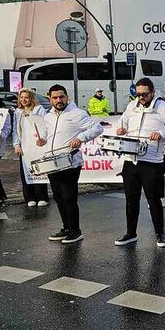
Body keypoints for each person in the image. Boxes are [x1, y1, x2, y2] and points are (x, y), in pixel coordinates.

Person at [114, 78, 165, 248]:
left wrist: (161, 133)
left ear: (153, 92)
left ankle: (160, 233)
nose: (141, 97)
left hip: (151, 160)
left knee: (153, 199)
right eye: (138, 94)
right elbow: (123, 122)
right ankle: (130, 233)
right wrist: (122, 129)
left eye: (144, 94)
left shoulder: (163, 107)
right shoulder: (132, 105)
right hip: (131, 159)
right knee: (130, 199)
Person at [36, 84, 103, 244]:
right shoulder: (48, 115)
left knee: (69, 197)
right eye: (55, 98)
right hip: (53, 162)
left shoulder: (77, 113)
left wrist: (81, 138)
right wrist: (42, 140)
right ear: (50, 99)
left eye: (61, 97)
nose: (59, 100)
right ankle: (66, 227)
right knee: (58, 197)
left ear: (67, 97)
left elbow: (97, 128)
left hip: (70, 162)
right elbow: (47, 133)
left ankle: (75, 230)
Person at [12, 88, 49, 207]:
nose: (23, 100)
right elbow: (15, 130)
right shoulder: (18, 112)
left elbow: (44, 126)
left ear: (31, 98)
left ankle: (42, 196)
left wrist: (42, 139)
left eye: (26, 97)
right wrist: (16, 144)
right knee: (26, 171)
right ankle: (29, 197)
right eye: (21, 97)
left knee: (39, 169)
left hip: (37, 145)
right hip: (25, 146)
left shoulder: (39, 110)